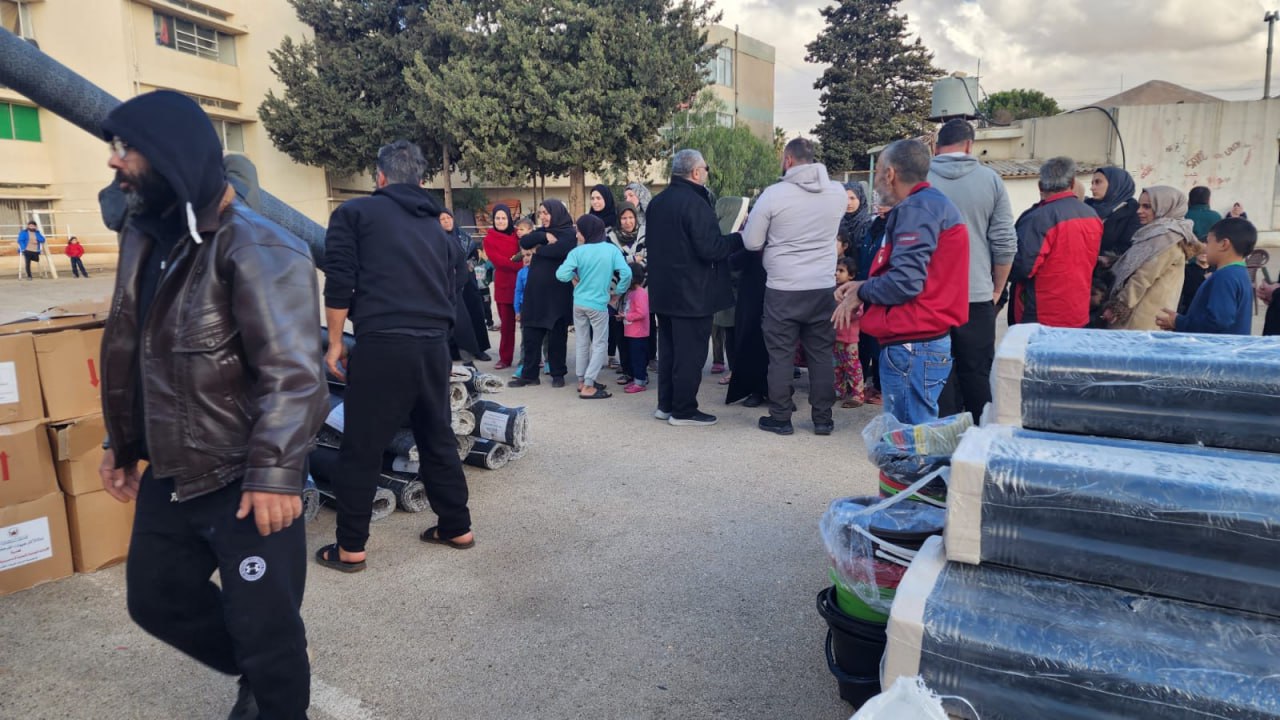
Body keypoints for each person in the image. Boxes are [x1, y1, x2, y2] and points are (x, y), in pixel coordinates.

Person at [96, 90, 327, 720]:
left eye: (126, 148)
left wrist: (275, 472)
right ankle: (263, 662)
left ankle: (273, 682)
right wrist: (122, 441)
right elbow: (136, 351)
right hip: (172, 468)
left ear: (169, 154)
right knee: (155, 600)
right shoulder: (145, 237)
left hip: (245, 476)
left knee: (267, 626)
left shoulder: (258, 247)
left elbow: (296, 376)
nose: (114, 162)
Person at [322, 138, 476, 576]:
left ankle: (351, 547)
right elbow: (460, 273)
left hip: (383, 344)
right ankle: (457, 527)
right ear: (422, 181)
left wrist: (335, 343)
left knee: (362, 446)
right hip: (433, 347)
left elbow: (339, 281)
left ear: (380, 176)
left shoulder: (354, 214)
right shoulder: (437, 227)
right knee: (436, 436)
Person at [832, 139, 970, 425]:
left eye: (878, 172)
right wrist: (862, 286)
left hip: (913, 343)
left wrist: (863, 291)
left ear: (890, 173)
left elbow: (905, 282)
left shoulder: (915, 210)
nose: (876, 182)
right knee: (914, 432)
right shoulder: (931, 205)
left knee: (907, 438)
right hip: (921, 341)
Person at [743, 137, 847, 436]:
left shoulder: (774, 195)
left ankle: (780, 417)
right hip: (822, 285)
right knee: (821, 354)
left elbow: (752, 242)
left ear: (788, 160)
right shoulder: (837, 192)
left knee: (781, 355)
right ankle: (823, 419)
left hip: (783, 287)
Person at [646, 149, 744, 426]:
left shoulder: (657, 202)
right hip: (692, 293)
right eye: (706, 168)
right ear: (696, 172)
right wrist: (738, 238)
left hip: (664, 291)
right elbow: (710, 249)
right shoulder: (695, 203)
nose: (707, 173)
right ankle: (684, 410)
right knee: (690, 354)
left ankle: (666, 405)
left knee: (669, 351)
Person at [927, 118, 1017, 417]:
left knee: (936, 373)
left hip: (929, 296)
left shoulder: (919, 180)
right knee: (977, 372)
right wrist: (997, 288)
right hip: (975, 294)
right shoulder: (991, 180)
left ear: (937, 145)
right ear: (969, 145)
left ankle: (943, 435)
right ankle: (978, 435)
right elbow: (1004, 242)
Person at [1008, 157, 1103, 328]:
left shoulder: (1038, 217)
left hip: (1042, 312)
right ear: (1072, 183)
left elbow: (1023, 268)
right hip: (1078, 309)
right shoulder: (1091, 215)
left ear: (1040, 186)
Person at [555, 214, 632, 399]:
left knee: (582, 342)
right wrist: (617, 292)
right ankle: (589, 385)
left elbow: (560, 274)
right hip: (598, 304)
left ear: (587, 232)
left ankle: (582, 380)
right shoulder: (611, 250)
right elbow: (627, 273)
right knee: (599, 344)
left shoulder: (577, 252)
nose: (576, 235)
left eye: (579, 231)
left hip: (579, 303)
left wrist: (574, 279)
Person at [1103, 186, 1198, 331]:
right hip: (1146, 314)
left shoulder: (1166, 238)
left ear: (1164, 207)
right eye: (1140, 205)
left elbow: (1143, 278)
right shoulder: (1155, 233)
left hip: (1141, 317)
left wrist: (1118, 307)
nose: (1139, 211)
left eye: (1147, 207)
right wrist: (1116, 261)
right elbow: (1142, 262)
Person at [511, 200, 576, 388]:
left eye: (546, 213)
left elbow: (560, 251)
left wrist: (538, 249)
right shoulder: (542, 232)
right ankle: (529, 375)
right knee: (531, 333)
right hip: (535, 293)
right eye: (541, 213)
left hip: (557, 293)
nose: (543, 217)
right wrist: (544, 236)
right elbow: (524, 241)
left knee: (557, 336)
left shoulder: (569, 233)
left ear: (557, 212)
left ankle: (558, 373)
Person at [1157, 217, 1255, 335]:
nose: (1204, 248)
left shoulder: (1225, 277)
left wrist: (1178, 322)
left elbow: (1218, 322)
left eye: (1208, 242)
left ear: (1224, 244)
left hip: (1217, 346)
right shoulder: (1240, 272)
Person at [441, 208, 492, 361]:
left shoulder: (464, 237)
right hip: (449, 284)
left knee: (475, 313)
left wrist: (465, 267)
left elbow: (475, 256)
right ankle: (454, 352)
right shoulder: (436, 239)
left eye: (448, 218)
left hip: (469, 282)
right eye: (442, 219)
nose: (446, 221)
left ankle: (479, 349)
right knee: (455, 319)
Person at [483, 204, 522, 369]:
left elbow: (528, 252)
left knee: (529, 325)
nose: (500, 221)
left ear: (509, 219)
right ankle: (505, 358)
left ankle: (532, 356)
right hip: (504, 286)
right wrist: (520, 264)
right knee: (506, 326)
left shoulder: (518, 234)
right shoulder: (489, 239)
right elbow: (499, 262)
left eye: (504, 218)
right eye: (497, 218)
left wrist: (519, 263)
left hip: (522, 284)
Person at [1087, 166, 1141, 260]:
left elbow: (1126, 248)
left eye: (1098, 182)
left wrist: (1103, 257)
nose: (1092, 188)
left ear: (1115, 184)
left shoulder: (1133, 212)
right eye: (1092, 183)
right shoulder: (1087, 207)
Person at [833, 258, 864, 408]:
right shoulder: (834, 291)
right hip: (835, 336)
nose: (837, 274)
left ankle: (858, 395)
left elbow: (858, 312)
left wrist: (845, 307)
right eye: (836, 270)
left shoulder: (853, 293)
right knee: (836, 366)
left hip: (849, 338)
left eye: (841, 271)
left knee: (852, 366)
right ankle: (839, 391)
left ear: (851, 275)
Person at [621, 262, 650, 393]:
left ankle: (640, 382)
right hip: (632, 332)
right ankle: (637, 379)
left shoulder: (640, 293)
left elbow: (642, 313)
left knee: (638, 359)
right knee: (634, 358)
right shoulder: (632, 293)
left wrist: (627, 316)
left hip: (638, 333)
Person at [839, 183, 874, 264]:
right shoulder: (837, 222)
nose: (848, 203)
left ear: (860, 199)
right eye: (845, 198)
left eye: (852, 198)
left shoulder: (868, 224)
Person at [513, 245, 533, 374]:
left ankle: (548, 361)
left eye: (528, 255)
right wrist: (517, 310)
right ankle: (523, 364)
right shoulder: (521, 273)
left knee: (546, 339)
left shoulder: (541, 271)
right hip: (525, 307)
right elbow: (518, 291)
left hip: (539, 307)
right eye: (523, 256)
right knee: (525, 339)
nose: (525, 258)